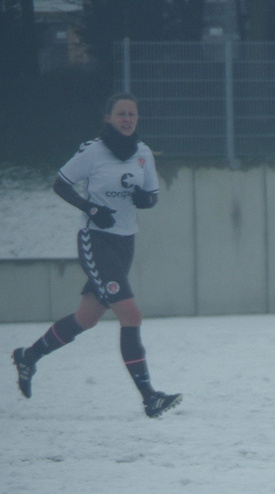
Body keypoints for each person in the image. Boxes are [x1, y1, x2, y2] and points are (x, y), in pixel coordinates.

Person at [12, 93, 180, 418]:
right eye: (121, 114)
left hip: (125, 242)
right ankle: (150, 398)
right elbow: (61, 185)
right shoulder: (93, 151)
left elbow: (151, 196)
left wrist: (145, 200)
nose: (127, 119)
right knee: (131, 315)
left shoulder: (143, 153)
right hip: (96, 239)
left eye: (132, 113)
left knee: (86, 318)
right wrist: (90, 207)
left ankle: (28, 356)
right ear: (108, 118)